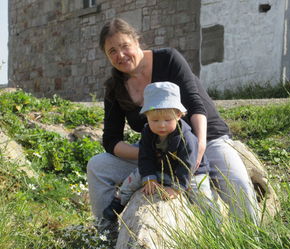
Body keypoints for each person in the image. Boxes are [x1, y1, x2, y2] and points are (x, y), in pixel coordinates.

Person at [87, 17, 258, 228]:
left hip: (207, 139)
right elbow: (111, 141)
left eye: (124, 46)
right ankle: (106, 234)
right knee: (98, 165)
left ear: (137, 41)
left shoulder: (168, 59)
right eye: (112, 51)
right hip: (156, 147)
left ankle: (252, 239)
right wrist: (150, 154)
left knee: (237, 183)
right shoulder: (115, 87)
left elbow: (196, 104)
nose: (120, 55)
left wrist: (200, 145)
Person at [102, 81, 213, 221]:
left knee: (202, 194)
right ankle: (119, 202)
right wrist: (149, 177)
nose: (161, 125)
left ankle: (213, 221)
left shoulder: (187, 138)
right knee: (134, 177)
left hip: (190, 173)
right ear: (147, 116)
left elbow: (187, 164)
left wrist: (177, 188)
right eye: (154, 120)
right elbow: (145, 155)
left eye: (167, 119)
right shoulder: (148, 131)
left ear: (178, 115)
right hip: (161, 167)